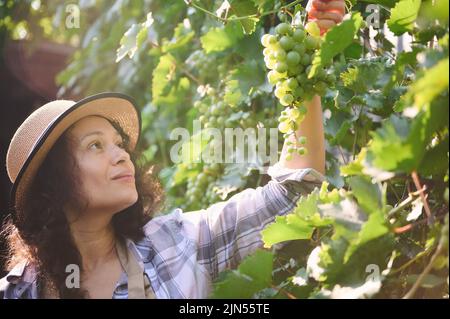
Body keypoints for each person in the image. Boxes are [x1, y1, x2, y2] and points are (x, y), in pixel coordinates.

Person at [0, 0, 345, 299]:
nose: (122, 155)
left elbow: (294, 191)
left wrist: (306, 58)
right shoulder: (16, 291)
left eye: (119, 144)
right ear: (53, 182)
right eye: (95, 146)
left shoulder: (177, 244)